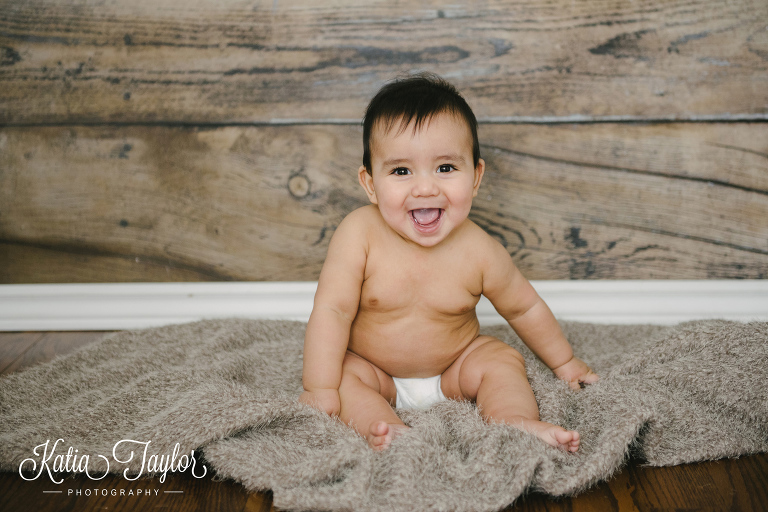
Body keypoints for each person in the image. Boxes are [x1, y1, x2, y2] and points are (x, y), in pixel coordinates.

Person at [299, 73, 598, 451]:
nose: (425, 187)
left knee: (501, 359)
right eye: (401, 171)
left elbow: (524, 308)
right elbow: (333, 311)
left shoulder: (481, 250)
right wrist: (320, 387)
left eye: (445, 168)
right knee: (343, 376)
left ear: (475, 176)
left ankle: (515, 420)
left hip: (454, 370)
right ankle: (387, 429)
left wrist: (566, 363)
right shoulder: (358, 234)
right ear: (371, 183)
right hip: (376, 371)